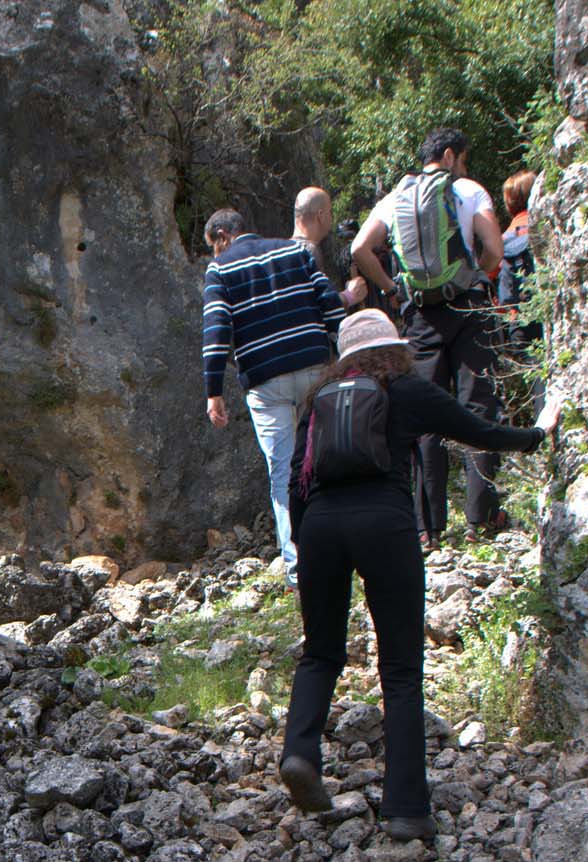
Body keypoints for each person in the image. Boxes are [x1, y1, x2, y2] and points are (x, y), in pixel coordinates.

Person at [278, 310, 561, 838]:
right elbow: (479, 431)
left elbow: (297, 479)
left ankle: (300, 753)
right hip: (385, 524)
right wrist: (537, 434)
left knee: (321, 652)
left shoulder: (317, 400)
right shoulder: (406, 389)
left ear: (344, 358)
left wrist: (304, 539)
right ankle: (406, 808)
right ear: (393, 349)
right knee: (401, 668)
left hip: (320, 527)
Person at [351, 128, 507, 551]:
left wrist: (392, 285)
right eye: (464, 159)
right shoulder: (469, 189)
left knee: (421, 415)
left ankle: (428, 528)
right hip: (469, 308)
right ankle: (482, 517)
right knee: (479, 404)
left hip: (420, 315)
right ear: (452, 156)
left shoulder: (395, 198)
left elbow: (360, 248)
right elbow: (494, 247)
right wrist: (478, 274)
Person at [202, 207, 368, 586]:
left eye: (215, 245)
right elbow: (329, 305)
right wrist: (345, 356)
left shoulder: (221, 269)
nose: (215, 254)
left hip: (266, 382)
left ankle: (299, 567)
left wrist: (214, 392)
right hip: (313, 369)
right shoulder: (295, 251)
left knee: (283, 472)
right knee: (327, 460)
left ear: (224, 235)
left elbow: (216, 332)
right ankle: (343, 551)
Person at [496, 170, 544, 412]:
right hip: (547, 314)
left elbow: (499, 288)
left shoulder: (504, 239)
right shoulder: (544, 228)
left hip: (519, 321)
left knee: (537, 379)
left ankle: (543, 432)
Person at [290, 186, 336, 281]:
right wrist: (349, 294)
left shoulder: (285, 249)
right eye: (330, 212)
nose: (332, 218)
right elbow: (319, 295)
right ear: (320, 216)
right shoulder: (310, 251)